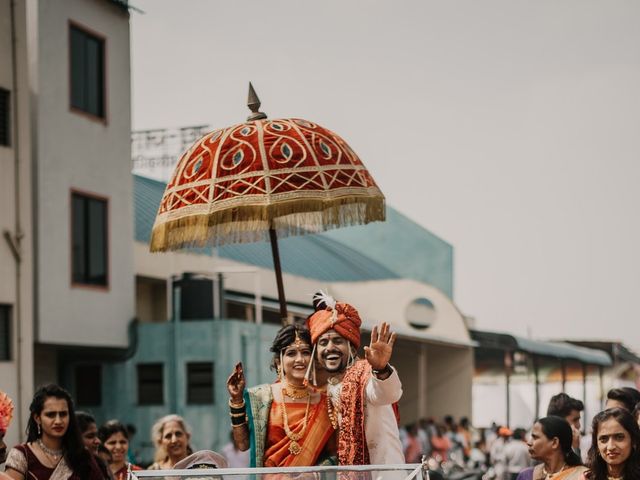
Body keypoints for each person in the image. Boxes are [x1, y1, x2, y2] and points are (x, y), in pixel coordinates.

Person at [306, 292, 404, 465]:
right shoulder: (332, 386)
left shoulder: (366, 374)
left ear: (351, 348)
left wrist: (381, 369)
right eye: (323, 343)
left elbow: (388, 394)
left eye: (337, 341)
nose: (330, 348)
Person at [226, 324, 334, 467]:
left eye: (305, 352)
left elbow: (335, 453)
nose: (300, 359)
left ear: (313, 359)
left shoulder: (326, 403)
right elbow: (243, 444)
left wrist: (313, 475)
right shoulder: (261, 397)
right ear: (278, 362)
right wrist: (237, 400)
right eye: (291, 353)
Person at [4, 384, 105, 480]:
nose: (58, 421)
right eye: (51, 415)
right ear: (37, 418)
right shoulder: (21, 456)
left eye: (63, 414)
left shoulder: (82, 456)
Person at [516, 416, 586, 480]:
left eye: (535, 437)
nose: (529, 443)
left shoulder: (582, 476)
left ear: (554, 443)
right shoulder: (526, 476)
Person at [583, 408, 640, 480]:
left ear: (633, 441)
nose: (611, 447)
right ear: (596, 445)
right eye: (604, 439)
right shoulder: (587, 478)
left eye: (619, 437)